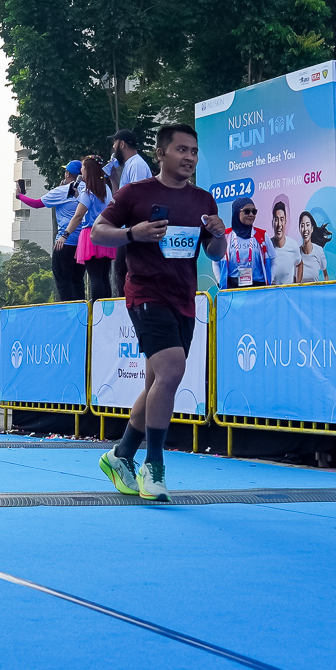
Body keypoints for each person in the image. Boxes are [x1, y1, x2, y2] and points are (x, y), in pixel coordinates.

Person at [89, 123, 227, 502]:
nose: (189, 157)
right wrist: (133, 233)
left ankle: (120, 455)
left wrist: (218, 234)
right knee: (172, 370)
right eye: (182, 150)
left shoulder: (203, 200)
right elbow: (98, 231)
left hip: (184, 298)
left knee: (156, 385)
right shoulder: (136, 193)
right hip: (145, 294)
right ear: (161, 153)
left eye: (194, 151)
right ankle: (154, 465)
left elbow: (215, 253)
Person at [17, 163, 89, 301]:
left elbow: (36, 203)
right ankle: (82, 311)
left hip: (64, 242)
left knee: (63, 283)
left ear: (67, 174)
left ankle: (67, 312)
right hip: (82, 243)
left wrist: (19, 196)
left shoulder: (62, 191)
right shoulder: (88, 189)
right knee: (78, 281)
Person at [106, 129, 155, 298]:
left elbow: (137, 198)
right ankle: (126, 302)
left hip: (136, 226)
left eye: (114, 143)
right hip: (129, 227)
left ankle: (131, 302)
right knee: (121, 268)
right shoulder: (130, 165)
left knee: (125, 268)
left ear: (122, 144)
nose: (113, 148)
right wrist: (113, 179)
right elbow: (119, 198)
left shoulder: (136, 165)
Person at [60, 155, 116, 300]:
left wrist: (65, 235)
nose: (81, 171)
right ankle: (105, 307)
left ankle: (96, 307)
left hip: (91, 233)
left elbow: (78, 216)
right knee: (104, 276)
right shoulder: (105, 189)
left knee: (95, 276)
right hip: (106, 232)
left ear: (88, 171)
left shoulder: (88, 192)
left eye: (83, 168)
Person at [218, 198, 271, 289]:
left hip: (258, 288)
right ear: (236, 212)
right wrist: (220, 281)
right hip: (233, 287)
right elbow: (216, 262)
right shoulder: (226, 236)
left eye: (254, 212)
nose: (251, 214)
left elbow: (273, 260)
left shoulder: (262, 235)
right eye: (247, 211)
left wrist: (269, 281)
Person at [267, 199, 301, 287]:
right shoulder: (267, 247)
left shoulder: (293, 246)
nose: (279, 224)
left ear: (285, 222)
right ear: (272, 223)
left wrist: (298, 285)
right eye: (276, 219)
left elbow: (300, 263)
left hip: (288, 293)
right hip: (272, 293)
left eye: (282, 219)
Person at [296, 210, 331, 284]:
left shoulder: (319, 251)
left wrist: (325, 288)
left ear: (312, 228)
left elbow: (326, 275)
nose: (305, 229)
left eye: (307, 225)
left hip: (315, 291)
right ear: (299, 229)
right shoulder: (296, 253)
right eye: (302, 226)